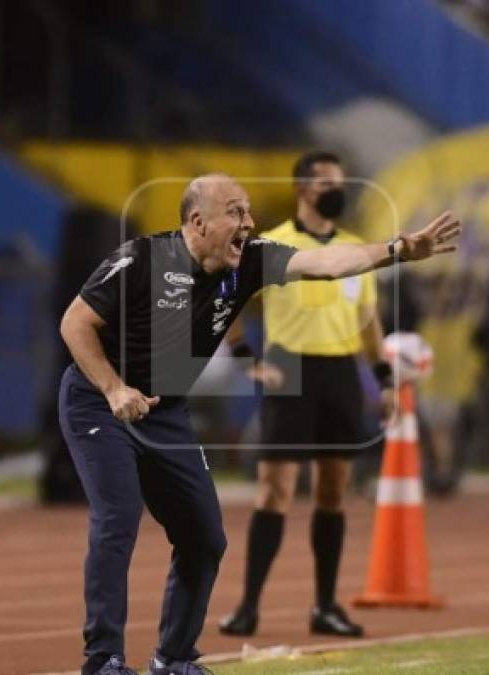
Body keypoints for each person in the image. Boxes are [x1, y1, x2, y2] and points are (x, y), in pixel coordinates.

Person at [58, 173, 459, 675]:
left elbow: (326, 263)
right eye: (235, 211)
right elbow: (74, 322)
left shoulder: (249, 261)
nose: (248, 222)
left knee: (205, 537)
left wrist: (398, 249)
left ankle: (174, 659)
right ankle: (104, 660)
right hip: (98, 402)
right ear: (197, 221)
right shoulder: (142, 259)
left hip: (167, 411)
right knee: (118, 520)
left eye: (248, 211)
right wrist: (115, 389)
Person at [218, 151, 393, 639]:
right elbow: (227, 305)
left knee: (332, 492)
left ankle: (325, 606)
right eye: (327, 184)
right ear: (302, 190)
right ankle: (248, 606)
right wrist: (246, 359)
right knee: (274, 489)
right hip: (288, 364)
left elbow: (368, 320)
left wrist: (384, 378)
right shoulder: (271, 244)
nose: (338, 191)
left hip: (340, 369)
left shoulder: (358, 249)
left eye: (341, 182)